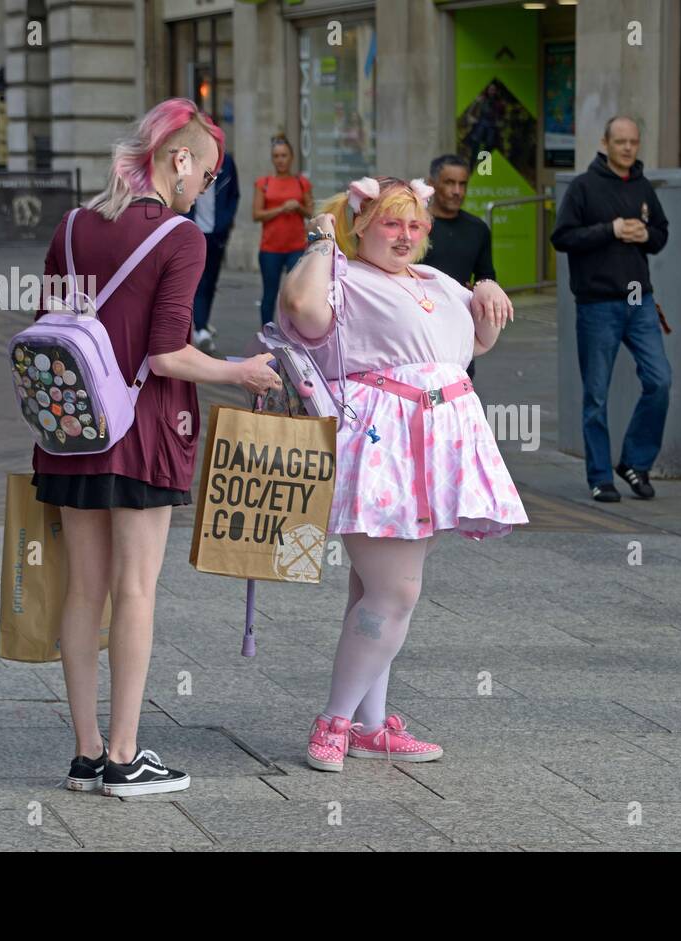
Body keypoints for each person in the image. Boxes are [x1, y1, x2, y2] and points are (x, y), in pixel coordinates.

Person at [35, 99, 280, 796]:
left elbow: (48, 320)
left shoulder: (75, 224)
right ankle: (125, 753)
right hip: (143, 431)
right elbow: (168, 354)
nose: (204, 188)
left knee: (85, 588)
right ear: (177, 159)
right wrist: (240, 371)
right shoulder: (180, 239)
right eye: (205, 173)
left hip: (72, 428)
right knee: (134, 588)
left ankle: (85, 752)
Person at [277, 175, 528, 772]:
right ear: (361, 223)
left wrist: (487, 290)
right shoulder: (341, 275)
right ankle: (334, 722)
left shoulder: (433, 279)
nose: (406, 235)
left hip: (434, 445)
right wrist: (322, 243)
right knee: (397, 591)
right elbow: (302, 311)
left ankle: (368, 725)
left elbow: (472, 346)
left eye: (415, 225)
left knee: (373, 591)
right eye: (392, 222)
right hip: (381, 445)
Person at [551, 115, 670, 503]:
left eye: (633, 141)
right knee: (596, 396)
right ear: (605, 142)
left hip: (640, 301)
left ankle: (635, 462)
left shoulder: (643, 186)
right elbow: (563, 237)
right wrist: (611, 230)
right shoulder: (584, 187)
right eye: (620, 141)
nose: (627, 148)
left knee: (660, 380)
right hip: (598, 303)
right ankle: (600, 476)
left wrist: (645, 234)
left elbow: (661, 235)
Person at [421, 153, 496, 381]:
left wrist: (479, 291)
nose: (457, 191)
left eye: (462, 184)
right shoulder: (415, 227)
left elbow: (487, 276)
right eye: (449, 183)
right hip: (419, 327)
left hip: (459, 327)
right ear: (432, 184)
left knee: (458, 393)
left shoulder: (477, 229)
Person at [185, 118, 239, 354]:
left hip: (215, 233)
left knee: (209, 281)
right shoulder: (187, 161)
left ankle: (201, 326)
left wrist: (224, 223)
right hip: (192, 230)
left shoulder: (226, 162)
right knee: (193, 281)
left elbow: (233, 194)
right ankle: (196, 328)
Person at [252, 137, 312, 325]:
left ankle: (294, 333)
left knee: (295, 295)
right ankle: (267, 335)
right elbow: (256, 214)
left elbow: (311, 212)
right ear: (272, 158)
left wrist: (298, 208)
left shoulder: (302, 183)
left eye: (284, 155)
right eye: (276, 156)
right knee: (270, 294)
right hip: (270, 249)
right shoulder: (264, 183)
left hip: (296, 246)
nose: (280, 160)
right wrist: (280, 209)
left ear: (292, 157)